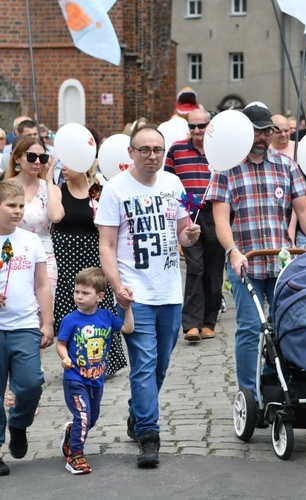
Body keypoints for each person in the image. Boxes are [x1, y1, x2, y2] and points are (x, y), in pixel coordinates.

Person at [96, 124, 201, 468]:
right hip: (134, 293)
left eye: (158, 149)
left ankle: (137, 412)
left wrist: (191, 234)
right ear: (131, 153)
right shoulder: (115, 190)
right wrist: (116, 286)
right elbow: (107, 245)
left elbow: (184, 235)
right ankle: (149, 434)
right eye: (145, 150)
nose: (152, 155)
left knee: (161, 365)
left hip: (170, 291)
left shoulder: (174, 184)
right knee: (143, 365)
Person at [205, 104, 306, 404]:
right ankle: (250, 392)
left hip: (281, 260)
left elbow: (304, 208)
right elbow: (220, 219)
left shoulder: (286, 165)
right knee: (249, 327)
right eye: (257, 131)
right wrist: (232, 251)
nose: (262, 136)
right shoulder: (226, 168)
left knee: (285, 323)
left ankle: (276, 379)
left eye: (266, 130)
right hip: (246, 261)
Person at [52, 159, 127, 378]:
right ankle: (75, 360)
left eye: (69, 162)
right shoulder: (59, 191)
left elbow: (109, 224)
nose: (64, 167)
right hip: (65, 257)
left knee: (99, 303)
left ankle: (107, 361)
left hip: (91, 253)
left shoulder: (97, 190)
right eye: (61, 163)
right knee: (69, 306)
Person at [57, 267, 135, 474]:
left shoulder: (107, 317)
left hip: (97, 379)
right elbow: (61, 343)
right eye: (77, 292)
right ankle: (75, 456)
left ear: (99, 296)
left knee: (91, 419)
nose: (79, 297)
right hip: (75, 378)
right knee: (83, 416)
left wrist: (127, 308)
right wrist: (65, 358)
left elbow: (128, 329)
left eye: (85, 293)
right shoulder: (70, 320)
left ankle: (71, 433)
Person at [0, 180, 54, 476]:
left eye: (21, 206)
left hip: (24, 325)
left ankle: (19, 423)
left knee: (31, 383)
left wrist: (46, 322)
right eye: (10, 205)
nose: (18, 211)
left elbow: (42, 284)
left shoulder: (30, 240)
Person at [165, 108, 225, 343]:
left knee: (214, 268)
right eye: (193, 126)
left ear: (210, 126)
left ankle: (209, 322)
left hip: (216, 211)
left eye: (202, 126)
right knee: (195, 267)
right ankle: (191, 324)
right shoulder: (177, 150)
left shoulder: (220, 150)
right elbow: (168, 179)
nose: (197, 130)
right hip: (187, 212)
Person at [6, 136, 64, 298]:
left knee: (45, 314)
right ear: (17, 157)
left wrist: (49, 181)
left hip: (43, 256)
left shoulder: (50, 188)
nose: (37, 162)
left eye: (43, 157)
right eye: (31, 156)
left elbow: (56, 216)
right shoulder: (6, 188)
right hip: (11, 253)